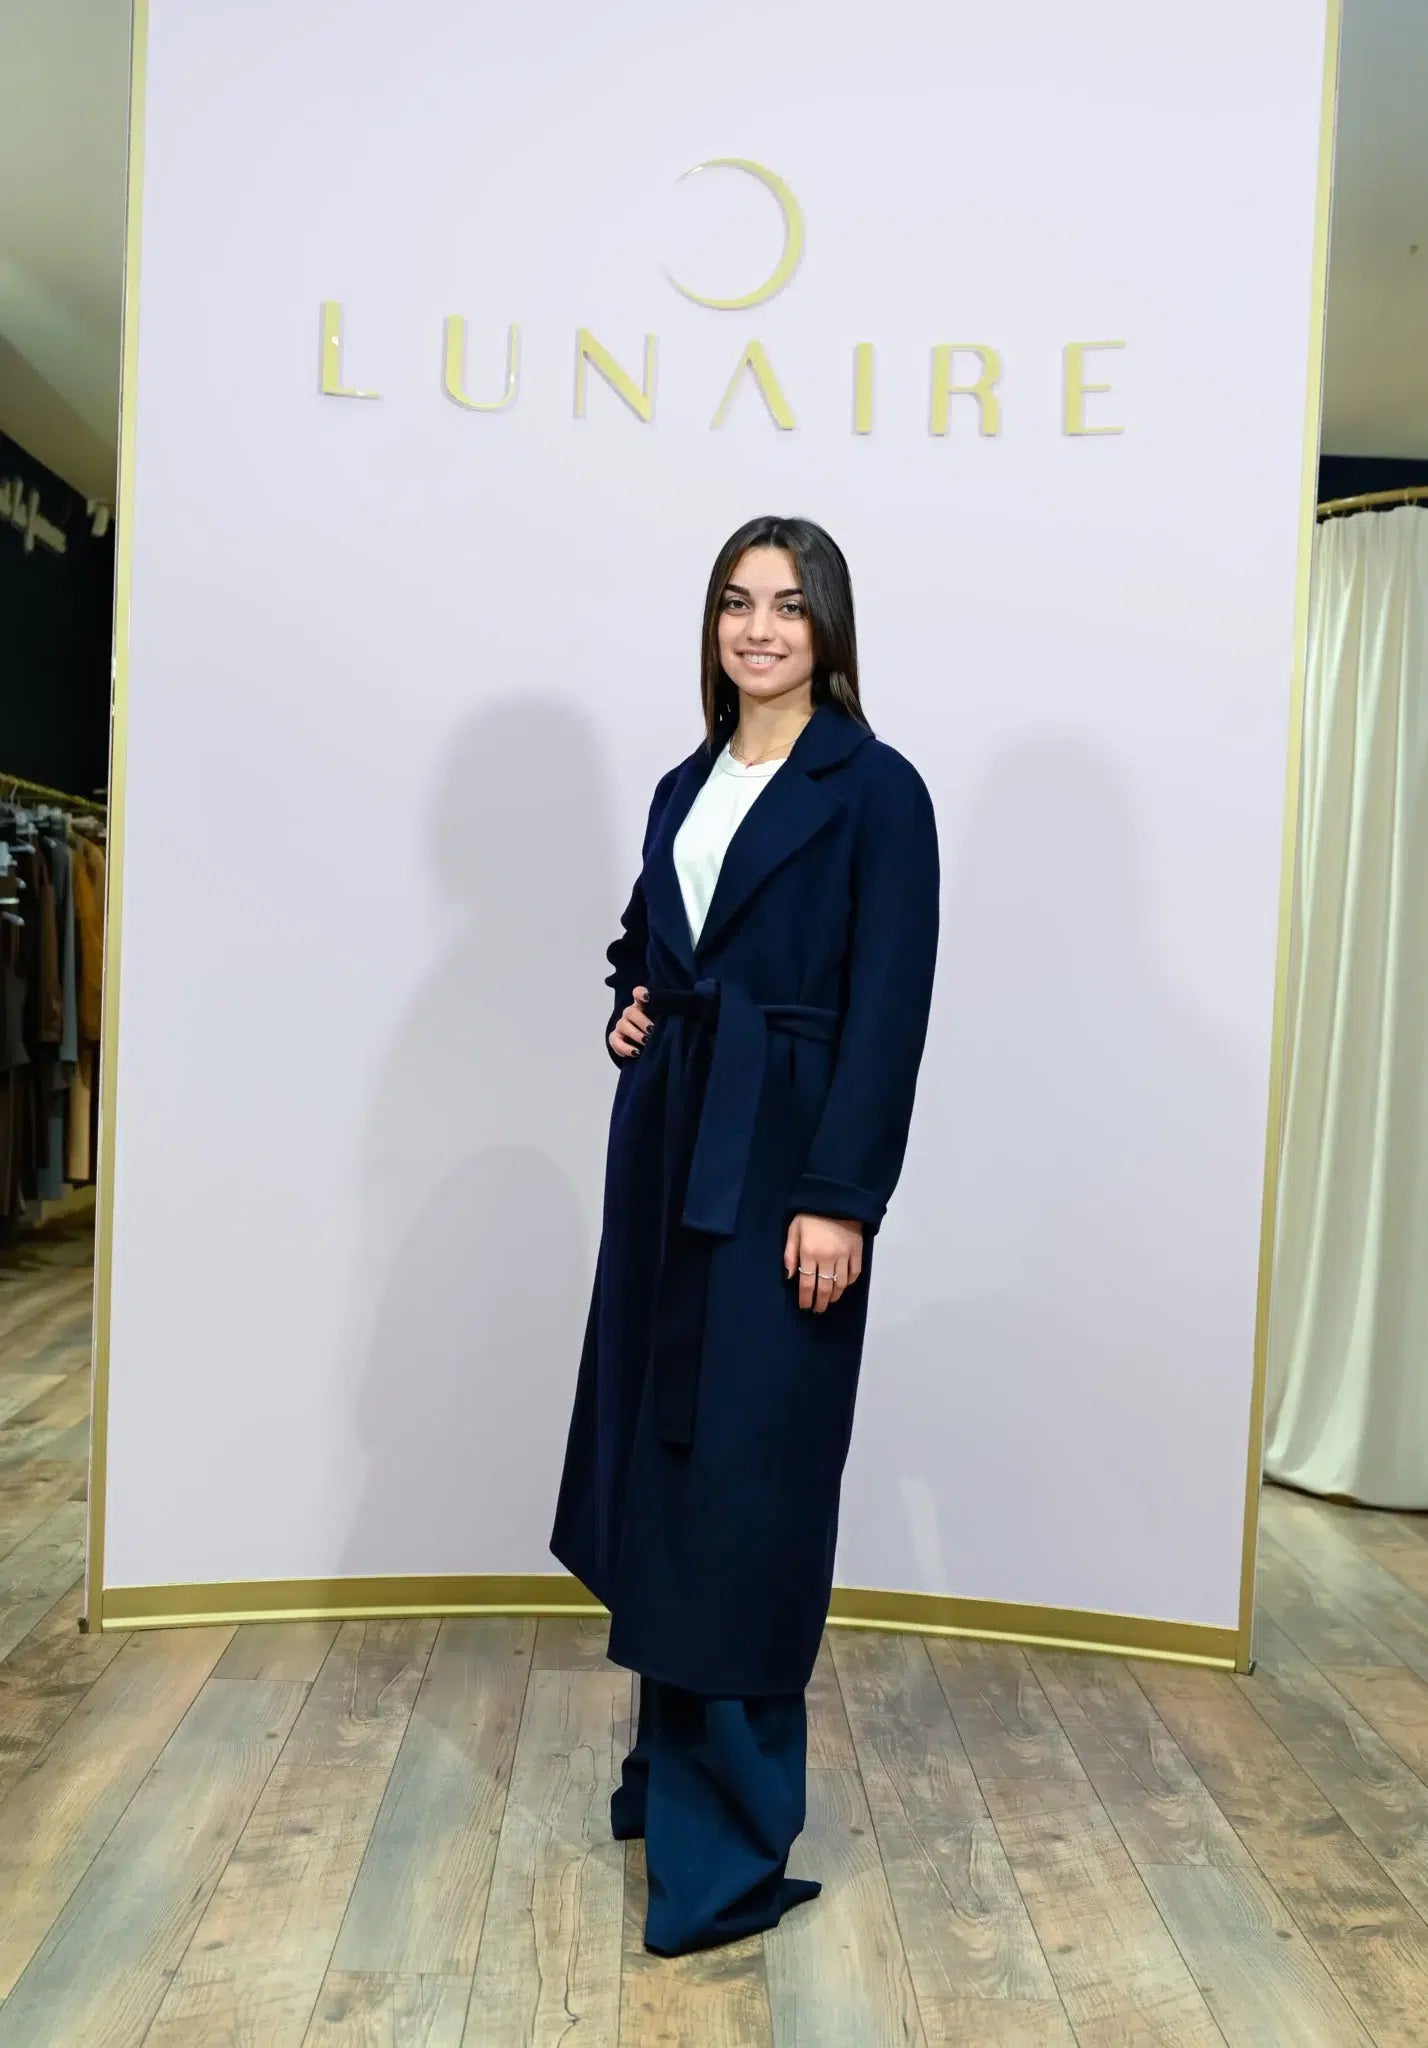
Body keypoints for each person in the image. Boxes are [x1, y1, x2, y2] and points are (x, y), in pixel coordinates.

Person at [550, 513, 940, 1956]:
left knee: (748, 1489)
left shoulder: (878, 791)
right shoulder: (686, 780)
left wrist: (841, 1195)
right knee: (665, 1463)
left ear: (828, 627)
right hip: (667, 1155)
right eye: (736, 602)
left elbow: (890, 1007)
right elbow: (659, 943)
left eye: (787, 604)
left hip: (782, 1173)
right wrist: (632, 1007)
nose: (759, 629)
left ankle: (726, 1850)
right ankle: (669, 1775)